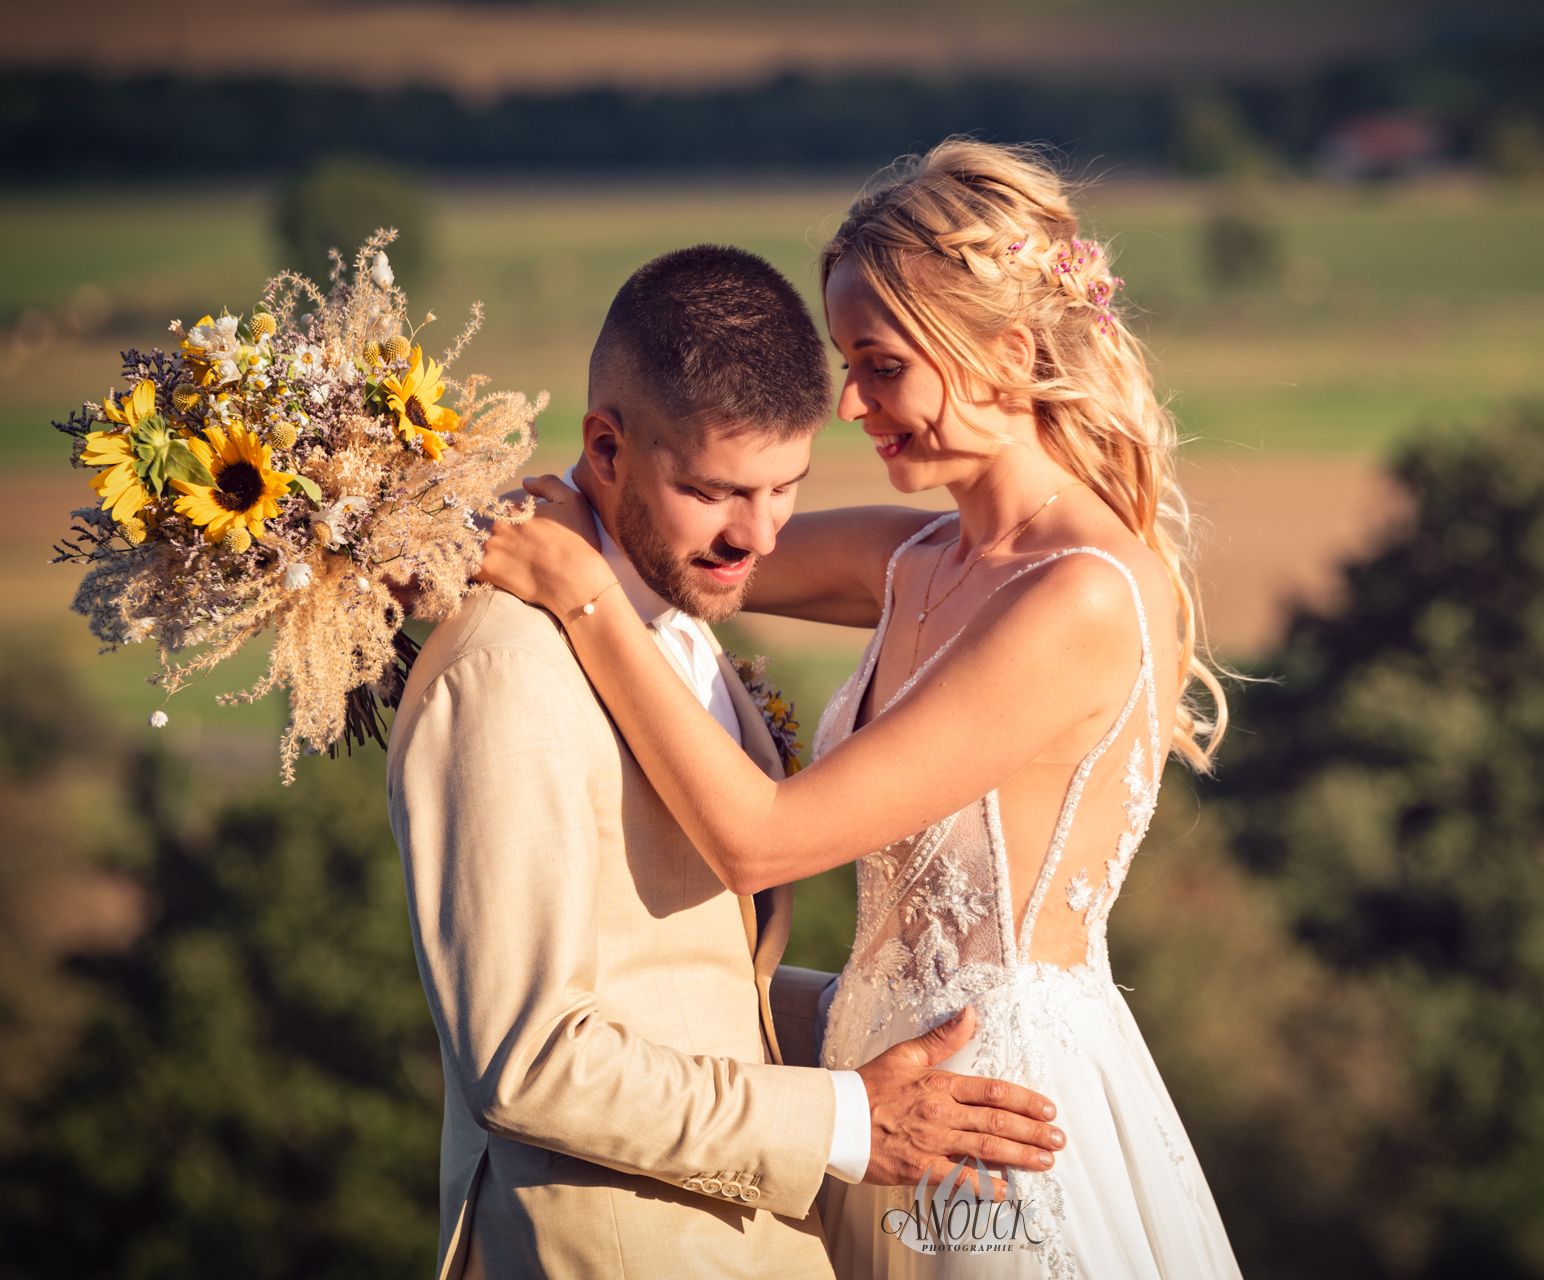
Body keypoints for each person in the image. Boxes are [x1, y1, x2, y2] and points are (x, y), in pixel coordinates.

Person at [481, 141, 1241, 1277]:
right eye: (848, 362)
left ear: (1008, 351)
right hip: (875, 1108)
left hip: (993, 1133)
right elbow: (671, 541)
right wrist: (432, 518)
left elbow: (760, 839)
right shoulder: (918, 555)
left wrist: (582, 598)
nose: (849, 402)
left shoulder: (1081, 597)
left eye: (879, 365)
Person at [389, 244, 1065, 1280]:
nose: (754, 537)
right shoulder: (506, 668)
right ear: (605, 449)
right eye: (714, 491)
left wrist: (896, 1019)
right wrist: (845, 1117)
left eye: (785, 488)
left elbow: (683, 971)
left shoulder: (673, 610)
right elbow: (527, 1061)